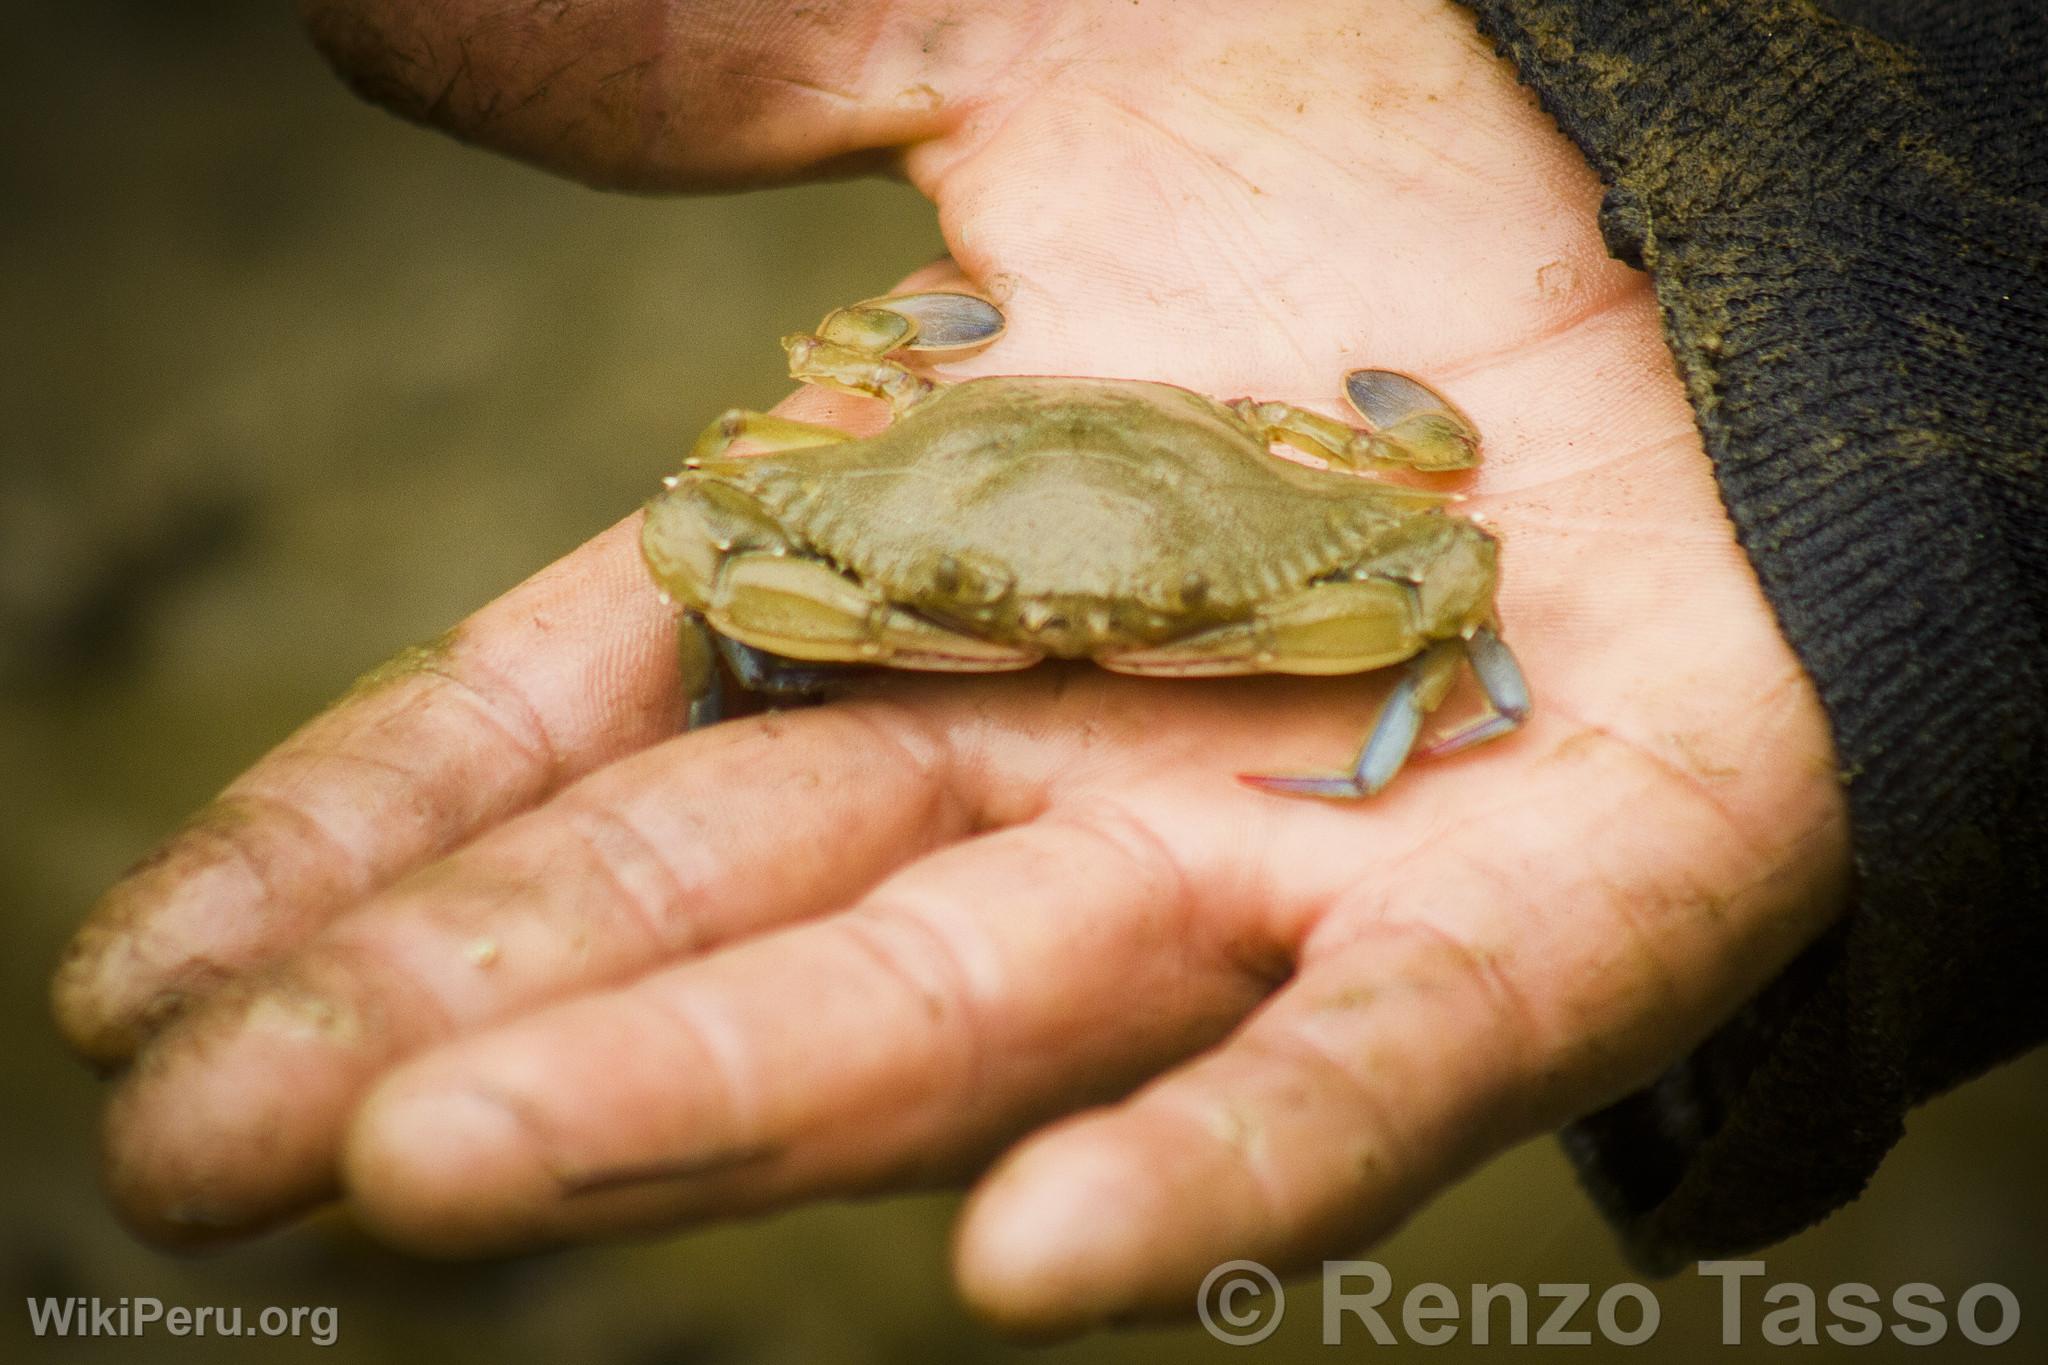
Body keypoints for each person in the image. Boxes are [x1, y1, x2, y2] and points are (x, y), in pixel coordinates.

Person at [49, 0, 2044, 1333]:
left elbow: (1447, 569)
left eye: (1125, 633)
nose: (1073, 648)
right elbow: (710, 519)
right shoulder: (896, 467)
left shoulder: (1321, 506)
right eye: (1010, 625)